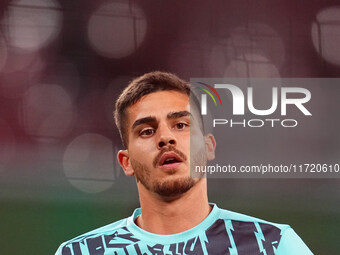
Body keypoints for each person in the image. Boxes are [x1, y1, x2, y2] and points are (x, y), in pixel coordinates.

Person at [55, 71, 313, 254]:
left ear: (209, 146)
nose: (165, 138)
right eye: (146, 131)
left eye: (181, 125)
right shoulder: (79, 252)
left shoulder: (273, 244)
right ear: (126, 161)